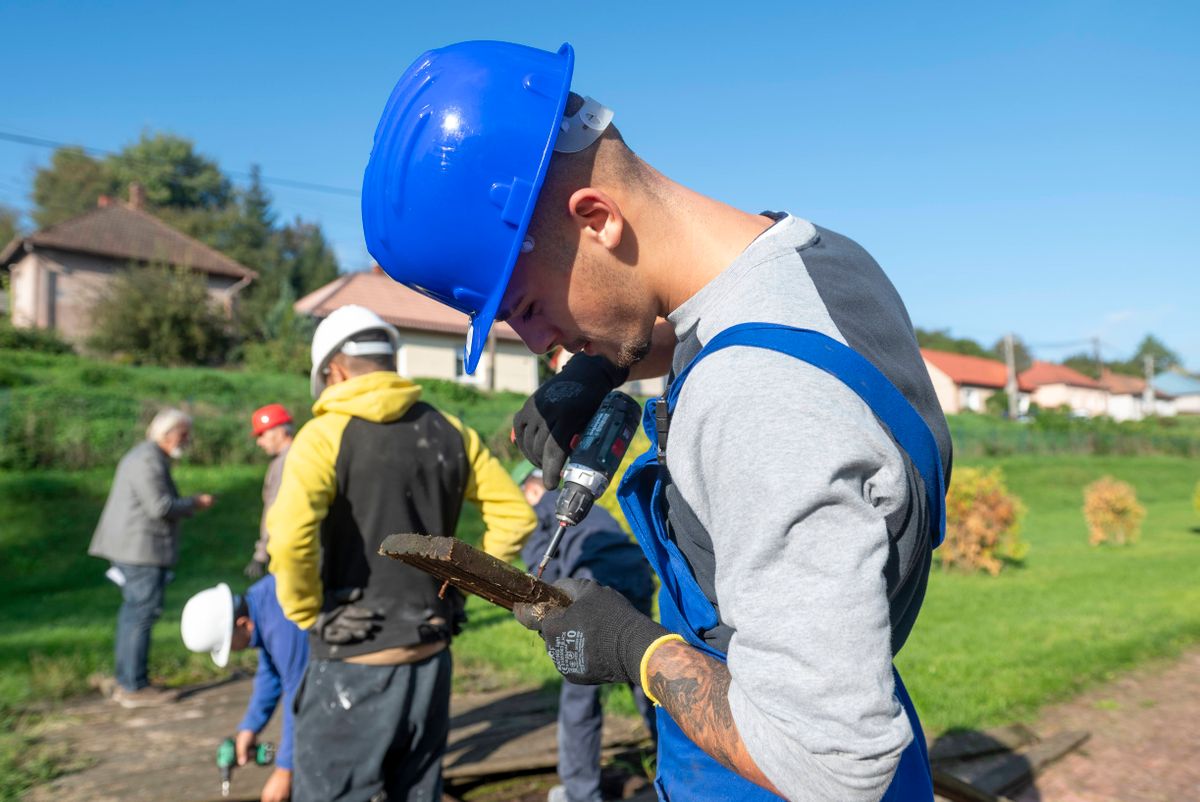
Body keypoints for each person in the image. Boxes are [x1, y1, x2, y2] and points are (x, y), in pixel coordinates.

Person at [360, 42, 952, 802]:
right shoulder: (813, 259)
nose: (539, 345)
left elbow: (833, 764)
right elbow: (734, 326)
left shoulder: (756, 400)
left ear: (597, 218)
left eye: (528, 310)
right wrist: (601, 363)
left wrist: (637, 650)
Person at [265, 304, 537, 802]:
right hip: (431, 656)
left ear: (335, 371)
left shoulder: (323, 437)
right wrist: (457, 588)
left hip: (354, 662)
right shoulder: (451, 431)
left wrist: (308, 614)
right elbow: (516, 517)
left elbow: (287, 537)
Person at [513, 461, 657, 802]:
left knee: (580, 686)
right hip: (636, 579)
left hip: (595, 588)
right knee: (646, 671)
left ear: (532, 490)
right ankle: (677, 762)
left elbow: (540, 575)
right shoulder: (588, 506)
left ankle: (580, 792)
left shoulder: (545, 511)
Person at [88, 408, 215, 708]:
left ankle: (128, 680)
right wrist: (195, 503)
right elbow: (160, 506)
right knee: (142, 615)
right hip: (140, 550)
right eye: (184, 435)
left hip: (136, 548)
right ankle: (134, 686)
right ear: (167, 434)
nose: (188, 440)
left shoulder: (147, 456)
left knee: (134, 614)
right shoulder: (148, 459)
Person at [182, 578, 307, 802]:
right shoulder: (261, 603)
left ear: (243, 624)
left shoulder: (281, 624)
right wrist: (250, 727)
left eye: (229, 645)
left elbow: (300, 695)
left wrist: (285, 771)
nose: (234, 651)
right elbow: (270, 673)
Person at [244, 403, 295, 579]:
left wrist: (261, 553)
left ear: (280, 431)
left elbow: (275, 509)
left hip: (286, 547)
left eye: (262, 434)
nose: (259, 442)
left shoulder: (285, 462)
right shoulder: (298, 454)